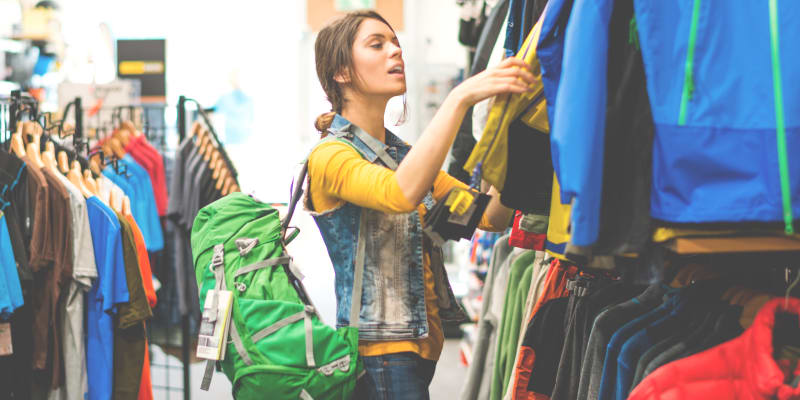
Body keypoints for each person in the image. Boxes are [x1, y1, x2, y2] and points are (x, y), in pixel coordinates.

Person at [307, 10, 535, 400]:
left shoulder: (403, 155)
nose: (395, 51)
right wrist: (460, 98)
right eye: (377, 44)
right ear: (341, 72)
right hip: (380, 351)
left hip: (422, 345)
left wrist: (505, 131)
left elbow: (490, 216)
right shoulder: (330, 156)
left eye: (395, 42)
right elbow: (399, 194)